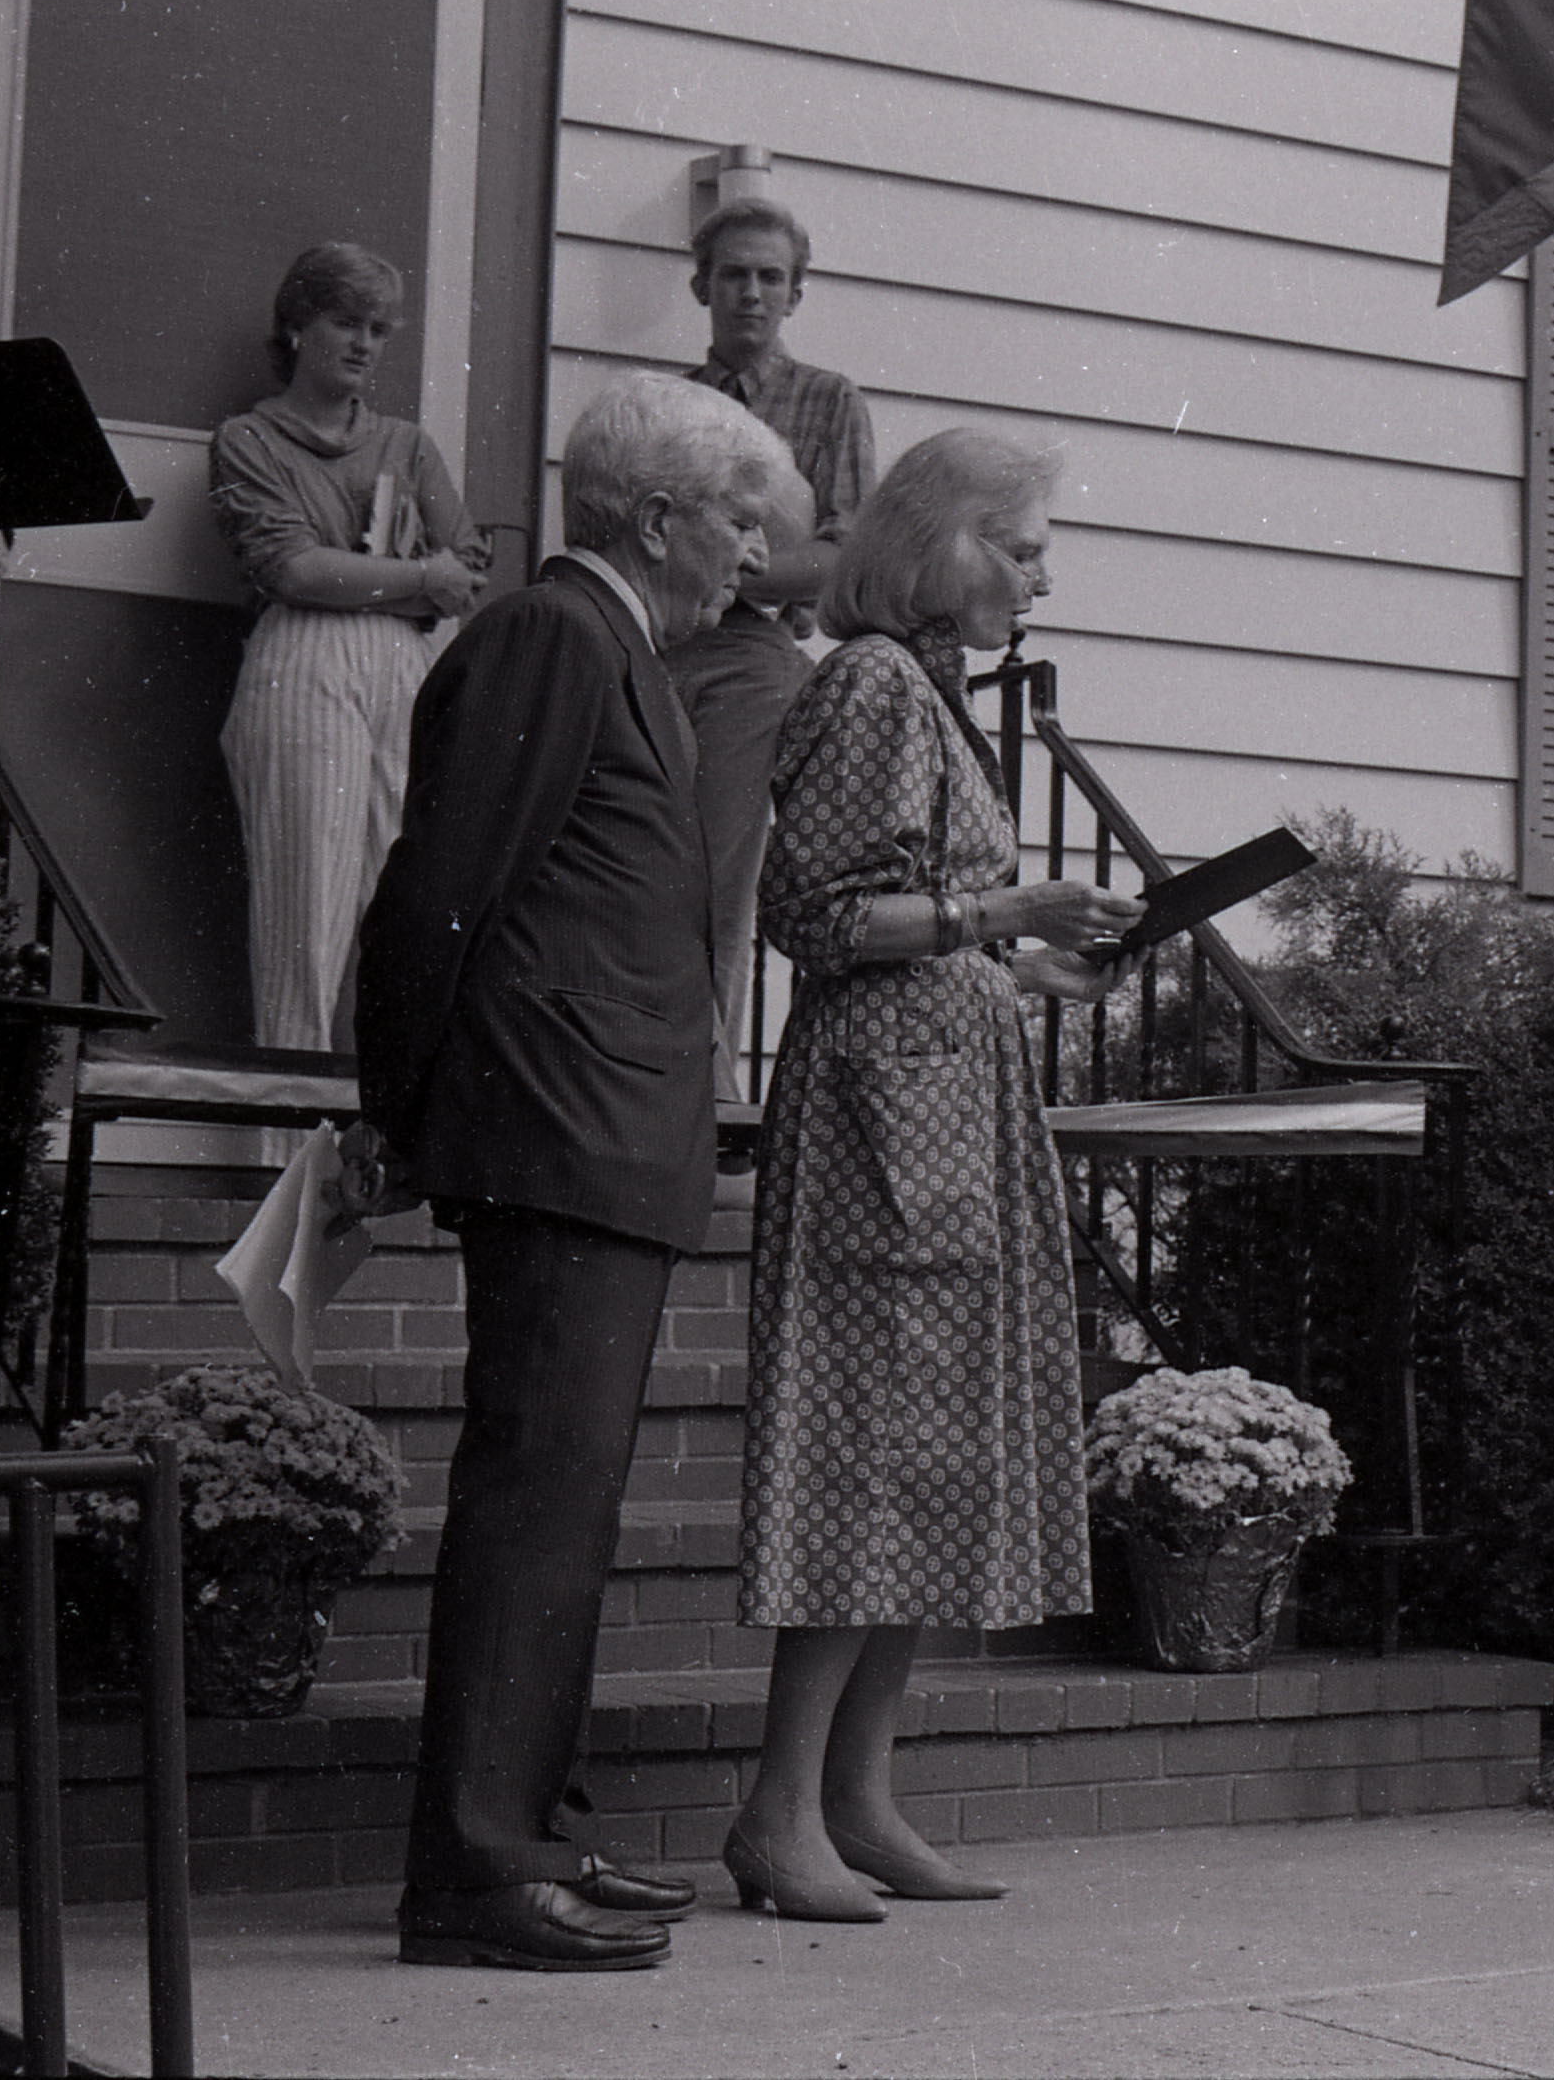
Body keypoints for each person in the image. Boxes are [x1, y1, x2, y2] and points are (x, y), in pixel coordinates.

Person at [354, 373, 792, 1970]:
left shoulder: (629, 657)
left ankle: (524, 1831)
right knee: (539, 1509)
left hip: (598, 1143)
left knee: (566, 1511)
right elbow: (438, 892)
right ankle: (472, 1867)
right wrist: (389, 1107)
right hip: (557, 1137)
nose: (755, 551)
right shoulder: (553, 635)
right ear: (659, 515)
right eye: (739, 516)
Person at [725, 429, 1142, 1918]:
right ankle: (778, 1815)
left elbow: (917, 916)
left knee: (925, 1455)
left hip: (944, 1110)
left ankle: (857, 1795)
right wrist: (999, 902)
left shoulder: (932, 693)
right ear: (943, 544)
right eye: (1021, 548)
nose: (1042, 576)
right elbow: (812, 915)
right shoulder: (869, 683)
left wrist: (1019, 958)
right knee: (867, 1453)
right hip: (876, 1139)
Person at [212, 242, 489, 1052]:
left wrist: (397, 580)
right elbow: (293, 567)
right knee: (305, 912)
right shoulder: (249, 440)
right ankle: (282, 1161)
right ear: (297, 326)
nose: (365, 343)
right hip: (303, 663)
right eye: (346, 321)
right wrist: (416, 579)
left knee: (401, 908)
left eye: (379, 328)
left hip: (406, 669)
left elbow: (466, 568)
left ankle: (373, 1168)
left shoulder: (407, 444)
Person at [669, 198, 879, 1097]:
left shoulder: (827, 401)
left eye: (768, 277)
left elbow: (843, 558)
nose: (749, 292)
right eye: (732, 274)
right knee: (640, 870)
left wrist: (728, 568)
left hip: (753, 661)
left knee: (722, 884)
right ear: (701, 286)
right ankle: (646, 1088)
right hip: (659, 648)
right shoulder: (667, 407)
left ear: (796, 293)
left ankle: (709, 1101)